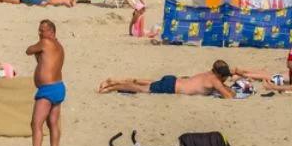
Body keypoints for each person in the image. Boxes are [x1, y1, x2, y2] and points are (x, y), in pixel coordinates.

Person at [98, 60, 258, 98]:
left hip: (174, 80)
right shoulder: (215, 81)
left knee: (146, 83)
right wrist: (238, 88)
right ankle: (112, 87)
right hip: (172, 88)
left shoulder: (208, 74)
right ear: (220, 76)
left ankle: (113, 81)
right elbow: (229, 96)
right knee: (140, 89)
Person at [27, 20, 64, 146]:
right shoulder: (59, 46)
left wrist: (39, 43)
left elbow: (29, 50)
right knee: (53, 123)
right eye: (39, 30)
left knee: (36, 124)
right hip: (59, 87)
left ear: (52, 32)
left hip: (47, 89)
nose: (40, 33)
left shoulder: (45, 43)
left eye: (43, 30)